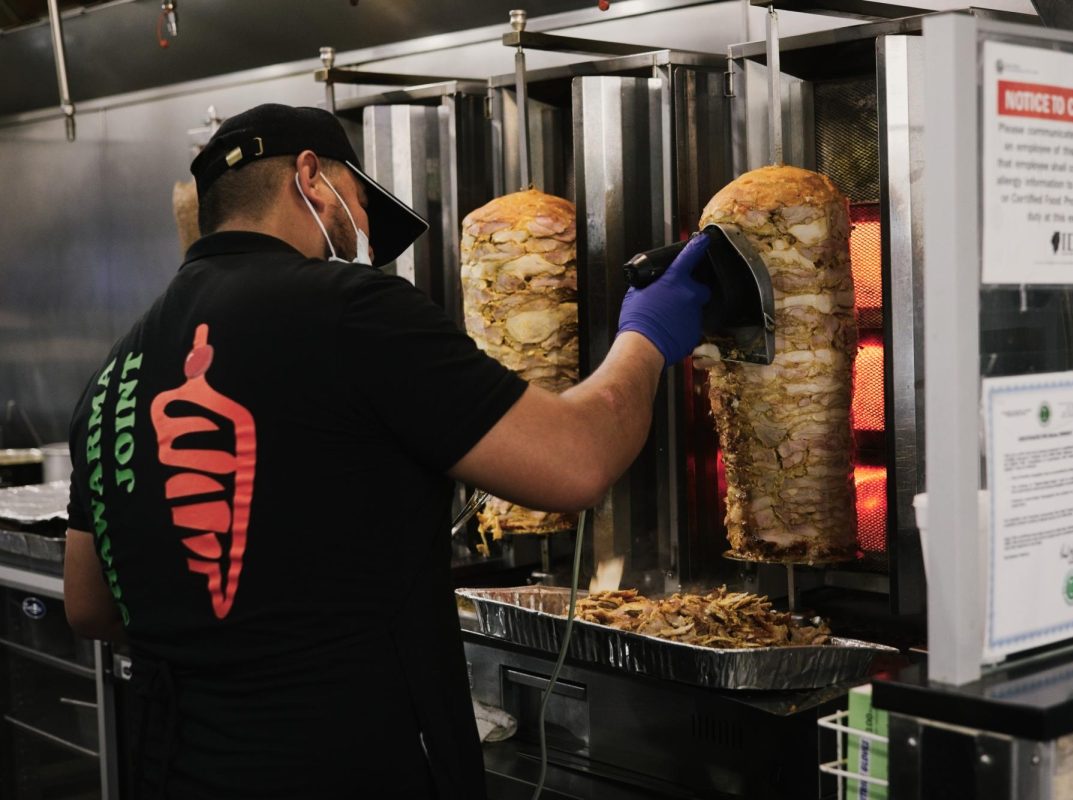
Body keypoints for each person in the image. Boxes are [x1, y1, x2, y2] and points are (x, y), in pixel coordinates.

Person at [62, 103, 710, 800]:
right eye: (363, 203)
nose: (366, 232)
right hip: (347, 768)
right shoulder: (346, 308)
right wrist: (647, 335)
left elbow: (90, 605)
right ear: (311, 178)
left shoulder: (115, 373)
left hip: (179, 770)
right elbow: (576, 461)